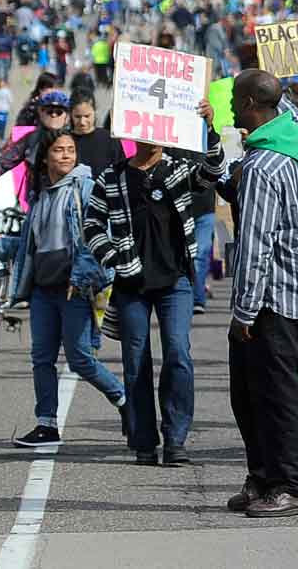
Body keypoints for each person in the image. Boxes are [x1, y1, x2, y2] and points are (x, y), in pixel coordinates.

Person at [83, 97, 225, 467]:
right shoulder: (111, 177)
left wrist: (210, 130)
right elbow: (91, 225)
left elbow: (212, 173)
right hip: (131, 283)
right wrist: (113, 258)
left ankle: (175, 438)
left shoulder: (178, 171)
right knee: (135, 360)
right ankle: (144, 440)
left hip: (175, 278)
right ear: (133, 133)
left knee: (178, 352)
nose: (156, 138)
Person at [225, 69, 298, 518]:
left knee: (277, 396)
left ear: (248, 104)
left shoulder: (263, 166)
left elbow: (255, 244)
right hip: (288, 292)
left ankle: (293, 485)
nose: (228, 107)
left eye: (234, 100)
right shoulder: (292, 135)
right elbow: (288, 106)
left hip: (273, 297)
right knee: (249, 393)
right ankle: (262, 476)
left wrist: (243, 310)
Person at [0, 129, 127, 447]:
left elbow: (97, 235)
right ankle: (47, 425)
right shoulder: (40, 195)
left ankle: (126, 402)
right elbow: (31, 242)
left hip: (75, 289)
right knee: (41, 358)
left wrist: (81, 276)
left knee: (81, 358)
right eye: (59, 150)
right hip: (43, 289)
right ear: (45, 157)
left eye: (70, 149)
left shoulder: (85, 187)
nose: (67, 155)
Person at [0, 90, 71, 208]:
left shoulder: (75, 140)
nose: (54, 115)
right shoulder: (31, 140)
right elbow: (2, 163)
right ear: (41, 112)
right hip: (35, 205)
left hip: (66, 205)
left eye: (59, 112)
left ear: (67, 115)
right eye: (49, 111)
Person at [69, 91, 125, 182]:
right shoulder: (65, 140)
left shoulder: (109, 139)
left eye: (87, 116)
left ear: (94, 111)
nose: (82, 122)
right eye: (77, 117)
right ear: (71, 114)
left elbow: (121, 170)